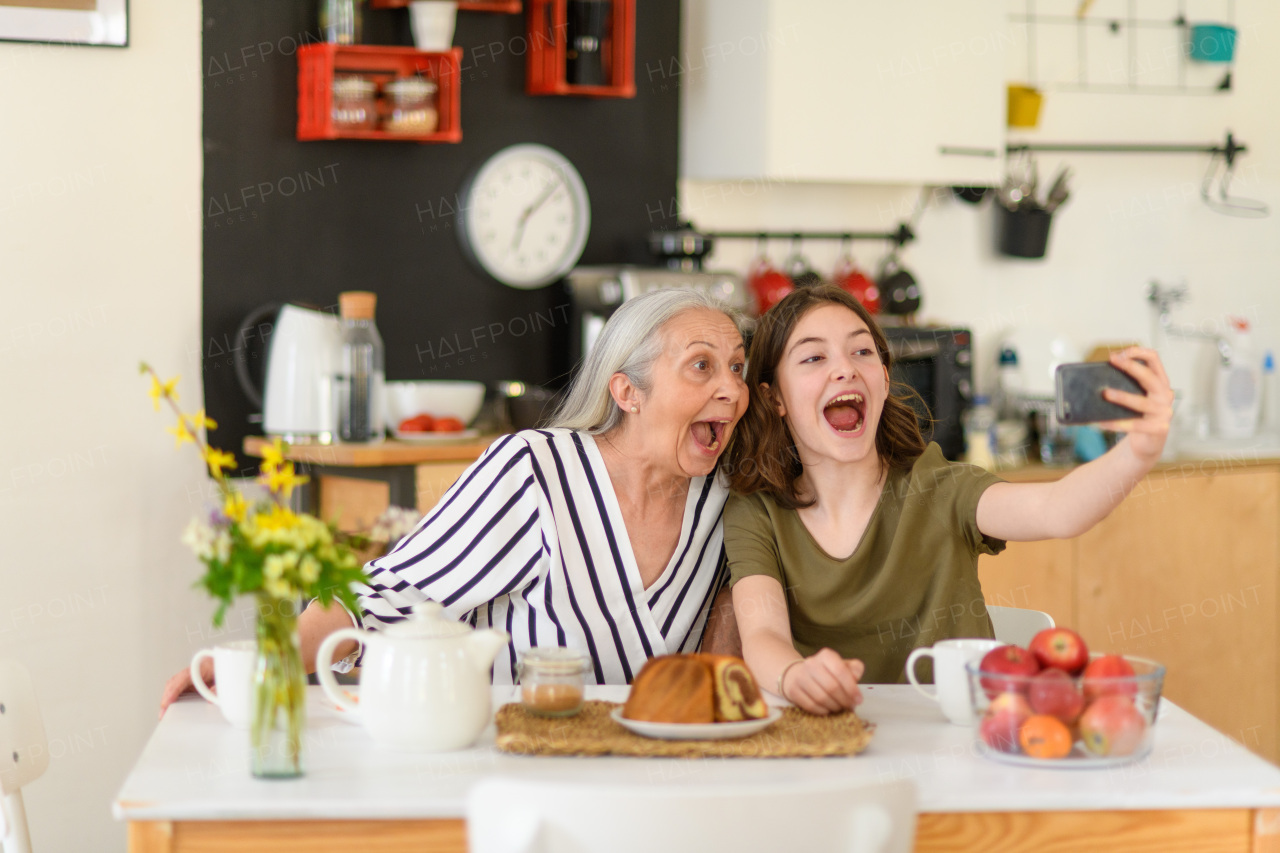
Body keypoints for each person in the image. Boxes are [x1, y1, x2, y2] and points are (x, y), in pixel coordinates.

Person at [160, 289, 748, 712]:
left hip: (655, 776)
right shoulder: (536, 471)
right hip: (511, 765)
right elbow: (387, 591)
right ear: (627, 391)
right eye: (702, 365)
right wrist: (259, 665)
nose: (730, 388)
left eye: (738, 368)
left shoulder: (725, 502)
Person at [723, 285, 1173, 716]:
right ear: (774, 396)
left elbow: (1056, 510)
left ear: (882, 377)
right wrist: (794, 676)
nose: (845, 368)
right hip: (835, 740)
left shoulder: (939, 485)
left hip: (963, 738)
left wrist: (1139, 451)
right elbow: (763, 635)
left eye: (862, 351)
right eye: (814, 357)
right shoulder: (757, 512)